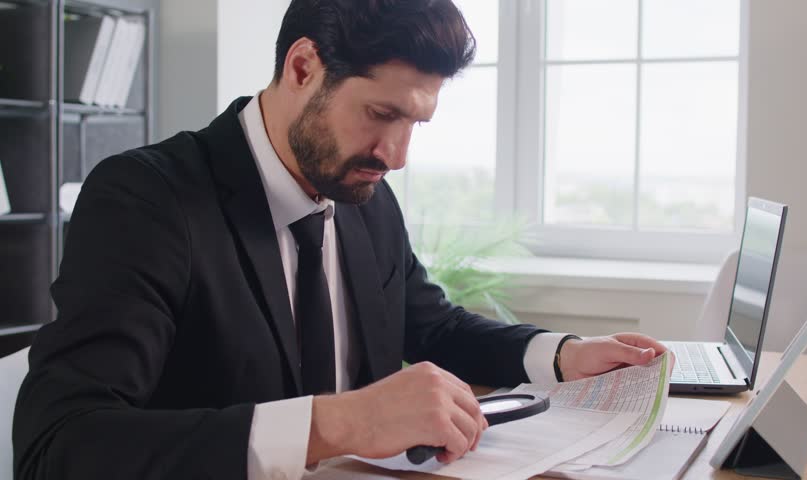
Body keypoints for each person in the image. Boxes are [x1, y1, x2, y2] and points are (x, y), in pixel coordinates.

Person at [12, 1, 668, 478]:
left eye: (415, 122)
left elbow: (431, 328)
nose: (398, 154)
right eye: (382, 114)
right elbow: (61, 442)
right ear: (302, 67)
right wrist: (336, 424)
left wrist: (563, 356)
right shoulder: (148, 199)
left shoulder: (362, 195)